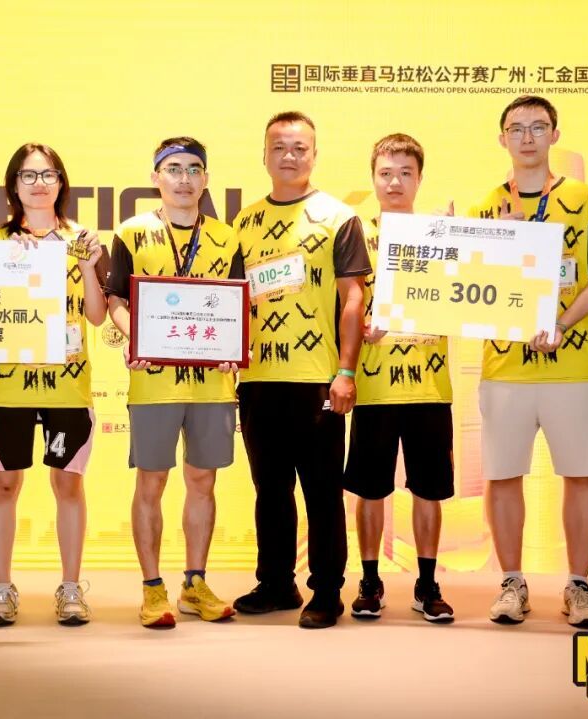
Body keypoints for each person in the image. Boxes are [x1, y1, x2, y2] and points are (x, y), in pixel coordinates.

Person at [469, 95, 588, 626]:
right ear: (502, 139)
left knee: (581, 474)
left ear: (555, 135)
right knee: (503, 475)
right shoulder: (486, 208)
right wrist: (478, 242)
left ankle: (579, 586)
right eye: (517, 128)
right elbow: (468, 288)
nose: (528, 137)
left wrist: (561, 324)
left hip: (572, 367)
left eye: (539, 127)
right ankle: (512, 583)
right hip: (505, 369)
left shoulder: (585, 199)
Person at [231, 112, 370, 629]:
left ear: (314, 154)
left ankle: (327, 590)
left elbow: (353, 298)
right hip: (258, 380)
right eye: (279, 147)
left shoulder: (339, 217)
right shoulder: (244, 222)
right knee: (270, 489)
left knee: (321, 490)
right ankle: (276, 583)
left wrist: (346, 372)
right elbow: (232, 301)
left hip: (317, 379)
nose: (289, 156)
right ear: (264, 155)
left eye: (299, 147)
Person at [106, 137, 243, 628]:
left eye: (194, 169)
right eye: (174, 169)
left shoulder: (227, 238)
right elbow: (116, 300)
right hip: (154, 381)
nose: (184, 179)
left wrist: (232, 349)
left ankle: (194, 584)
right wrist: (135, 338)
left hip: (212, 384)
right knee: (152, 480)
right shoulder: (131, 232)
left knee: (203, 480)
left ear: (206, 179)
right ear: (155, 177)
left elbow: (237, 304)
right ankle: (152, 588)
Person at [0, 143, 108, 626]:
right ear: (13, 185)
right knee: (4, 484)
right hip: (8, 385)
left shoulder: (82, 239)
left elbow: (97, 316)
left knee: (68, 484)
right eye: (28, 175)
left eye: (48, 174)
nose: (39, 184)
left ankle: (71, 587)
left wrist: (90, 265)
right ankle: (1, 587)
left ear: (61, 183)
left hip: (67, 386)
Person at [345, 133, 456, 623]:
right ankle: (370, 582)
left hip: (429, 388)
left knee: (430, 489)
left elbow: (474, 292)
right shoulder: (356, 235)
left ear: (419, 179)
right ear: (373, 179)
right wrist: (361, 327)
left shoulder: (441, 234)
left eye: (405, 173)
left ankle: (427, 584)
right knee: (370, 489)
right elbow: (343, 303)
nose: (394, 182)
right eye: (386, 173)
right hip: (373, 389)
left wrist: (466, 240)